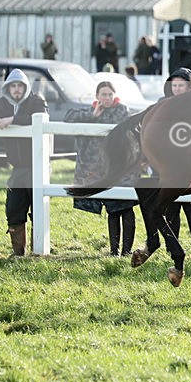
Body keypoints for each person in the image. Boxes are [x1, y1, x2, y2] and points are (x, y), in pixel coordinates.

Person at [65, 81, 140, 256]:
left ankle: (127, 251)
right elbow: (68, 117)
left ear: (115, 96)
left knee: (126, 208)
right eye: (103, 94)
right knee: (112, 209)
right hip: (101, 170)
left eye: (109, 94)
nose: (107, 98)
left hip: (123, 166)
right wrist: (93, 115)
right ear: (97, 96)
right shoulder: (90, 111)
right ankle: (114, 251)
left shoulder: (122, 111)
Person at [0, 69, 48, 256]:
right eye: (13, 86)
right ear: (7, 88)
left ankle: (38, 251)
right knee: (14, 208)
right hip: (17, 167)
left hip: (37, 165)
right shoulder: (0, 104)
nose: (17, 90)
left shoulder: (36, 101)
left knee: (38, 208)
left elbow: (41, 117)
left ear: (25, 87)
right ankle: (19, 252)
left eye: (20, 86)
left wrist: (14, 120)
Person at [157, 68, 191, 254]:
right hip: (168, 164)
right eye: (175, 85)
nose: (177, 89)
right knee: (170, 208)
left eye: (181, 85)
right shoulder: (162, 104)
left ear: (189, 87)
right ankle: (172, 248)